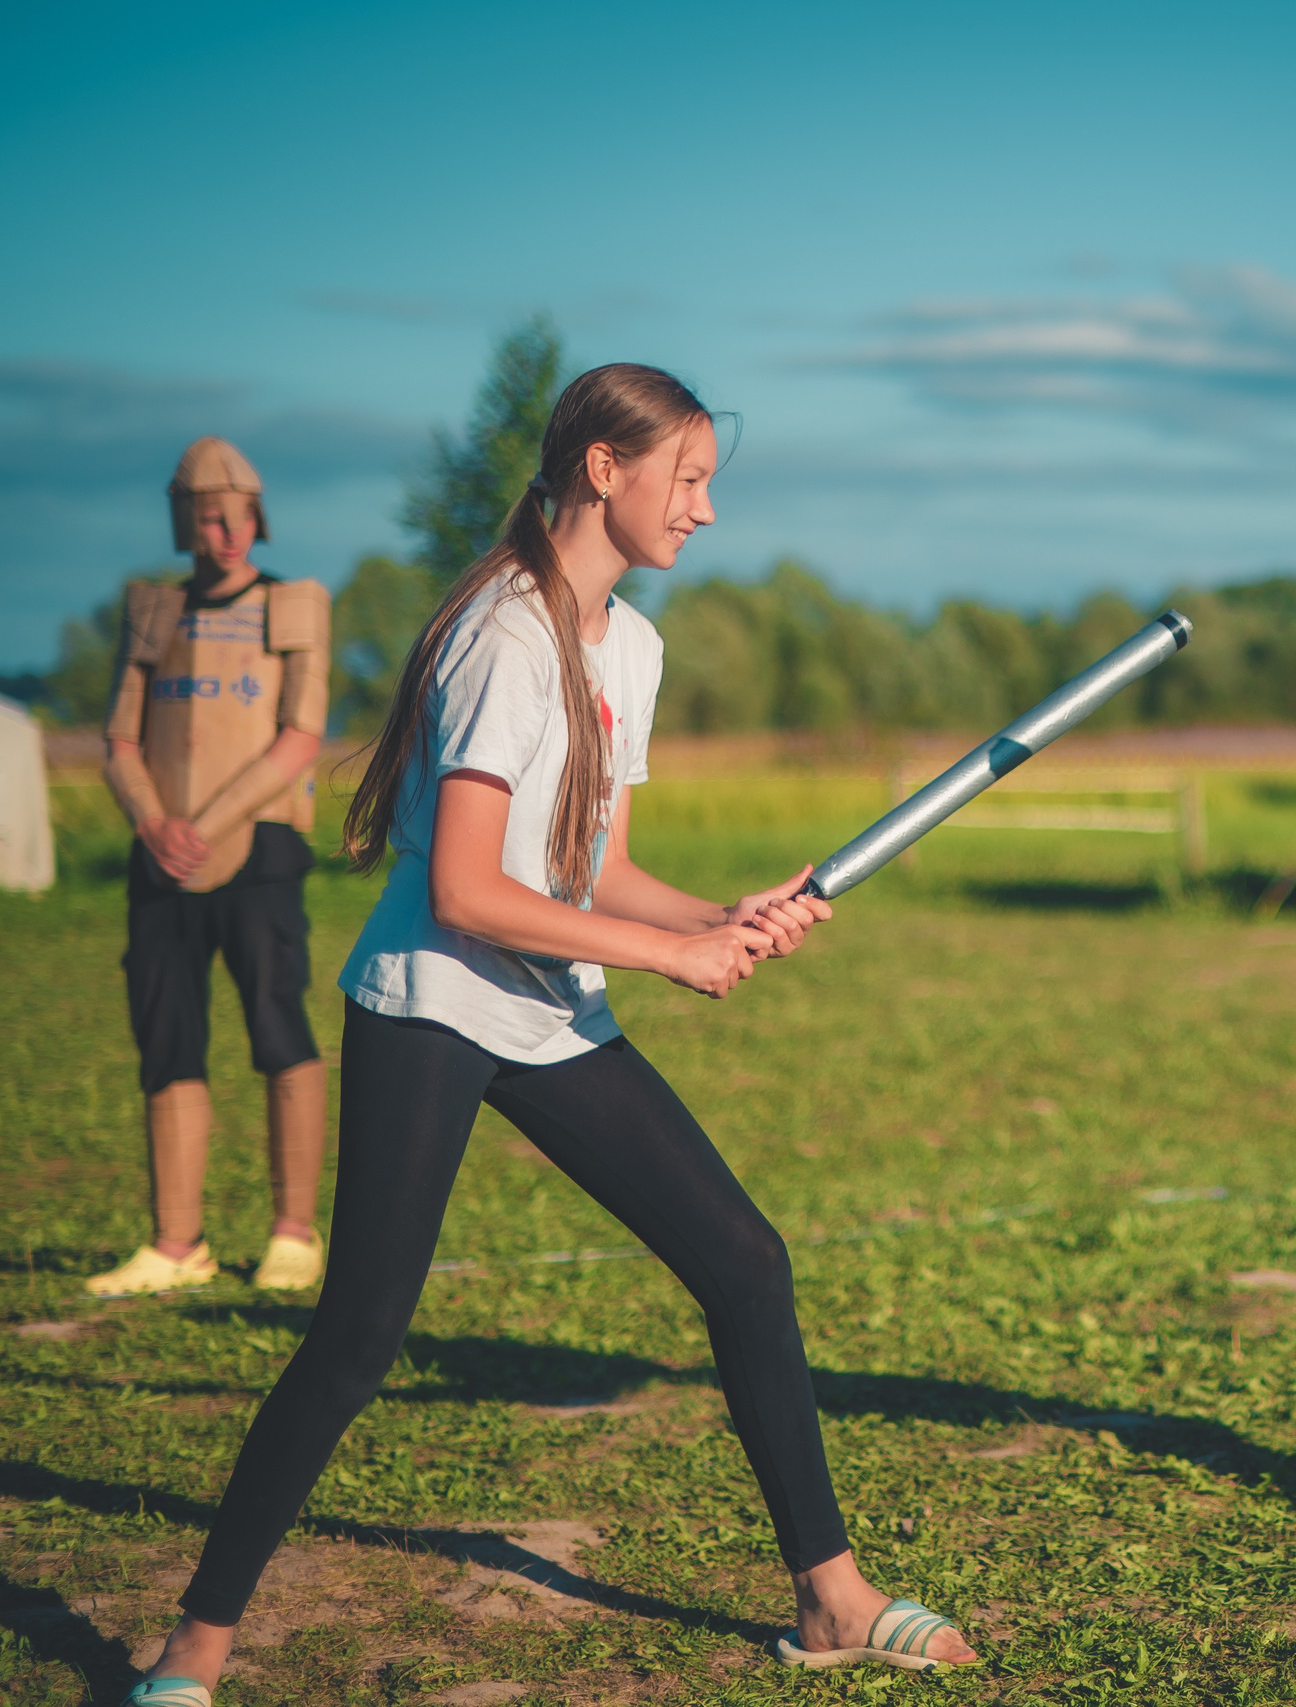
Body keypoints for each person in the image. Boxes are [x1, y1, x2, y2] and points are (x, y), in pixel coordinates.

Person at [122, 365, 974, 1707]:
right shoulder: (502, 636)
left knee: (746, 1260)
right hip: (435, 996)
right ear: (601, 468)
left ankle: (831, 1592)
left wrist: (718, 911)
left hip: (545, 1004)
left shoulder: (628, 644)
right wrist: (671, 957)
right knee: (358, 1336)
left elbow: (597, 863)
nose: (703, 512)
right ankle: (193, 1648)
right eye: (685, 479)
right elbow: (464, 888)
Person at [90, 438, 331, 1299]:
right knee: (167, 1034)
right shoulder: (153, 610)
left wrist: (208, 821)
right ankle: (175, 1242)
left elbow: (299, 735)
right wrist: (155, 822)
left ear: (259, 514)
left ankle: (293, 1233)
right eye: (208, 512)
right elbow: (119, 736)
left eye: (240, 511)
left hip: (258, 848)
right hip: (161, 859)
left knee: (278, 1025)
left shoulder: (294, 603)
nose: (227, 528)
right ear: (184, 518)